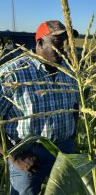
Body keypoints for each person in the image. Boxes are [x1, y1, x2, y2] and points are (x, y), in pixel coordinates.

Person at [0, 20, 79, 195]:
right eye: (58, 43)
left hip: (64, 151)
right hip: (28, 157)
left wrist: (72, 136)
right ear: (40, 43)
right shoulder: (12, 73)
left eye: (66, 43)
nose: (64, 48)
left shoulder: (69, 71)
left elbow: (75, 105)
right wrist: (14, 157)